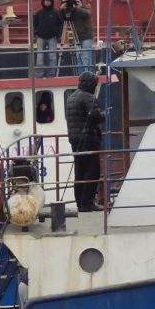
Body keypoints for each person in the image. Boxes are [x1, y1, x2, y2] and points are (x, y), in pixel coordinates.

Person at [65, 71, 104, 212]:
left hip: (74, 139)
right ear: (90, 84)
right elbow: (95, 116)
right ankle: (87, 203)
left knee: (79, 171)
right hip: (88, 138)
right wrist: (103, 115)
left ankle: (80, 203)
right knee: (92, 171)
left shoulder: (71, 97)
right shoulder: (88, 97)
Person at [32, 0, 64, 78]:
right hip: (40, 37)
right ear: (43, 2)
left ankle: (51, 75)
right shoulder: (39, 13)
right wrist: (35, 34)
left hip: (52, 37)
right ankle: (39, 76)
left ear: (51, 2)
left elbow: (61, 24)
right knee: (39, 58)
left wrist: (59, 35)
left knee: (52, 57)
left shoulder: (56, 13)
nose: (47, 2)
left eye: (48, 1)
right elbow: (34, 24)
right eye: (45, 1)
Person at [63, 0, 95, 74]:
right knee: (79, 59)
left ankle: (88, 75)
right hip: (76, 37)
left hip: (86, 36)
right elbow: (65, 19)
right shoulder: (72, 11)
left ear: (81, 2)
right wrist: (65, 7)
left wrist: (76, 7)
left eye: (78, 1)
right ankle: (81, 76)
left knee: (86, 57)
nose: (77, 3)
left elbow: (87, 14)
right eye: (75, 1)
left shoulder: (86, 7)